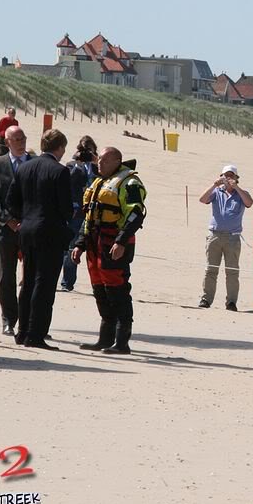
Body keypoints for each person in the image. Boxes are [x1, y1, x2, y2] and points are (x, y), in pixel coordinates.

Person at [72, 147, 147, 354]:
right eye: (99, 161)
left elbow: (136, 214)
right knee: (100, 290)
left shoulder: (130, 182)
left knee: (117, 290)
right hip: (94, 243)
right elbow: (88, 217)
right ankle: (105, 339)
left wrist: (121, 241)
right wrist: (79, 244)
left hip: (114, 242)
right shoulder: (98, 182)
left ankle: (122, 342)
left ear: (117, 161)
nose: (99, 164)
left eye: (104, 161)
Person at [6, 129, 72, 350]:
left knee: (28, 282)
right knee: (44, 284)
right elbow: (65, 208)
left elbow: (11, 201)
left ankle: (23, 331)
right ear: (60, 148)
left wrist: (22, 219)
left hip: (27, 229)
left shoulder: (25, 167)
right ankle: (36, 333)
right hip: (49, 232)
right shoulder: (60, 171)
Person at [0, 126, 31, 336]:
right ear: (7, 142)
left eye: (23, 138)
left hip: (31, 229)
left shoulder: (35, 162)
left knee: (32, 277)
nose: (21, 142)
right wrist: (9, 221)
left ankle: (30, 320)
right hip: (5, 230)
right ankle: (8, 320)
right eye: (17, 139)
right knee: (6, 278)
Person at [198, 165, 253, 311]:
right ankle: (206, 299)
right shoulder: (216, 192)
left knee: (232, 271)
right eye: (225, 175)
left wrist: (237, 188)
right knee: (211, 270)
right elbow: (202, 199)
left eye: (231, 176)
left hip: (232, 238)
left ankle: (231, 302)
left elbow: (249, 203)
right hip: (215, 235)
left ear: (236, 178)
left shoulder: (241, 194)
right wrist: (215, 184)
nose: (228, 178)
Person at [60, 136, 98, 291]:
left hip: (94, 213)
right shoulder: (71, 165)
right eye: (84, 151)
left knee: (95, 250)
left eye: (90, 151)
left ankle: (98, 284)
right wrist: (77, 163)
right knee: (71, 248)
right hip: (77, 212)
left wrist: (96, 161)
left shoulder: (100, 167)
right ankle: (67, 283)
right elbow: (66, 185)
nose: (86, 154)